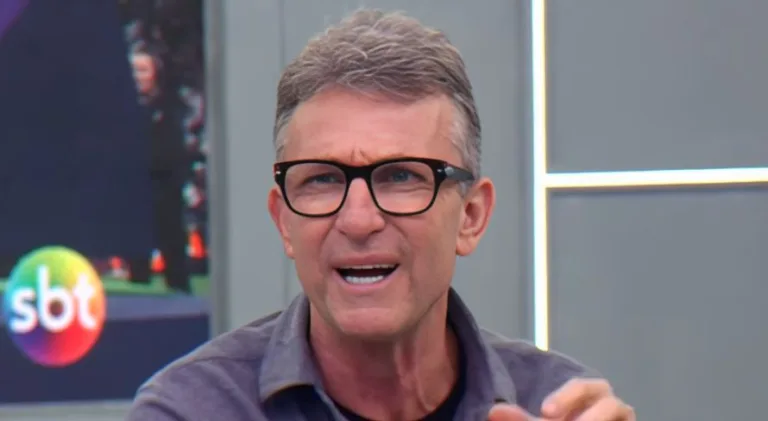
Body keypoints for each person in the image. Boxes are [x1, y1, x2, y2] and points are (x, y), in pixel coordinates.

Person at [126, 9, 635, 421]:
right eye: (322, 180)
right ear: (284, 221)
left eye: (401, 177)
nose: (358, 220)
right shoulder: (193, 411)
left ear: (471, 216)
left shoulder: (553, 404)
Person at [126, 40, 192, 294]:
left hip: (166, 187)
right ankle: (137, 287)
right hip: (133, 189)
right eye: (133, 70)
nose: (137, 76)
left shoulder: (170, 106)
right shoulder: (122, 108)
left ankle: (180, 291)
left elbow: (175, 150)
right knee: (135, 248)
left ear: (155, 73)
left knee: (172, 241)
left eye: (143, 70)